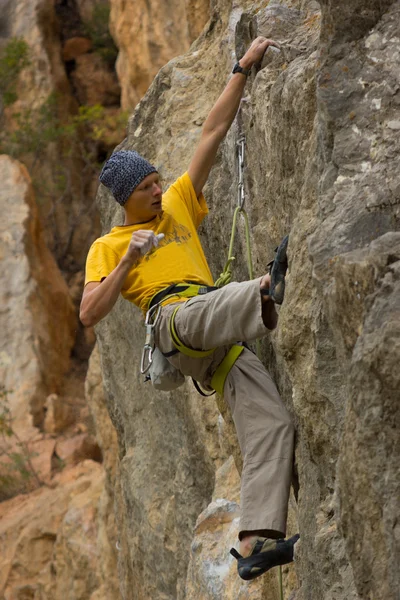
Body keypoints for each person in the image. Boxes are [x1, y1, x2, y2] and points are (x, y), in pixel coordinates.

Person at [80, 36, 299, 581]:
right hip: (173, 323)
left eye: (158, 182)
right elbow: (88, 312)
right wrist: (128, 263)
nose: (159, 190)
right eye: (148, 187)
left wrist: (242, 69)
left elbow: (213, 132)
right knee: (199, 309)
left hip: (216, 330)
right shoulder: (107, 248)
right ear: (127, 198)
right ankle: (265, 289)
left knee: (270, 420)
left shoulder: (177, 202)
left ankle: (253, 544)